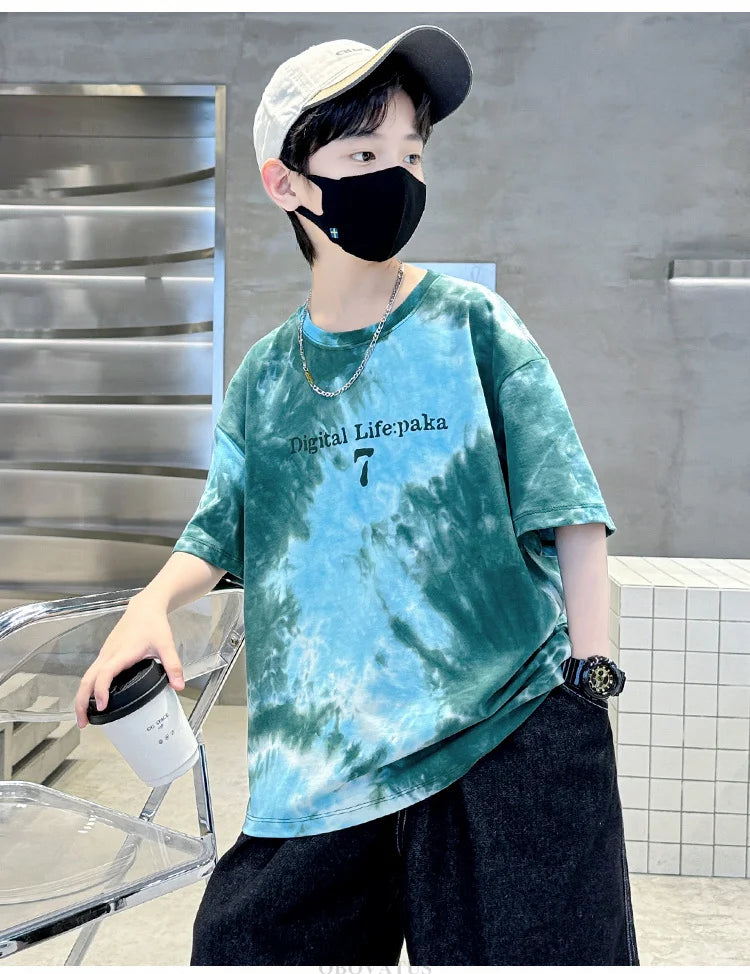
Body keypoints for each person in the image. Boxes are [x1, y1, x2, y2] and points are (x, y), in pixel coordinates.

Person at [75, 24, 639, 966]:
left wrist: (590, 686)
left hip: (503, 734)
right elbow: (219, 529)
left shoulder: (473, 325)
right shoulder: (265, 378)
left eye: (411, 154)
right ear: (286, 183)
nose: (399, 176)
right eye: (365, 155)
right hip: (323, 762)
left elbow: (570, 510)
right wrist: (149, 605)